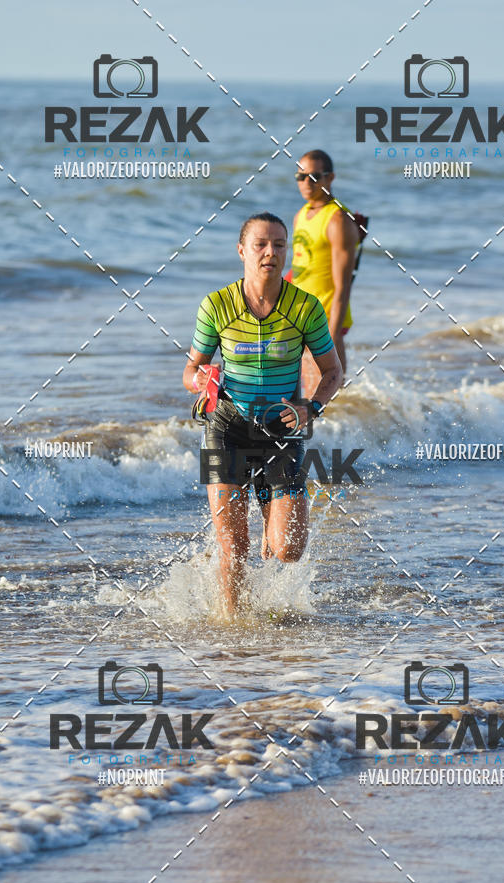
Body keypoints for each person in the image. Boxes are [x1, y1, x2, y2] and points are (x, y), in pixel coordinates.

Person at [183, 212, 343, 617]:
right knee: (233, 547)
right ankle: (234, 628)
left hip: (280, 431)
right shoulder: (216, 305)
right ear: (242, 251)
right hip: (227, 428)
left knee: (289, 548)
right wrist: (204, 380)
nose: (270, 252)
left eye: (278, 245)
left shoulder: (304, 308)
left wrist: (312, 408)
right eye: (260, 244)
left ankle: (269, 564)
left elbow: (333, 372)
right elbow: (190, 371)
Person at [290, 149, 361, 395]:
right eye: (301, 177)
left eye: (314, 177)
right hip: (299, 316)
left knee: (330, 394)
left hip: (326, 317)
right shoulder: (301, 215)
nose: (306, 183)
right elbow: (299, 268)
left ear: (330, 178)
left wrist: (331, 333)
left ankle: (341, 433)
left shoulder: (338, 219)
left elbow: (343, 286)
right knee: (306, 394)